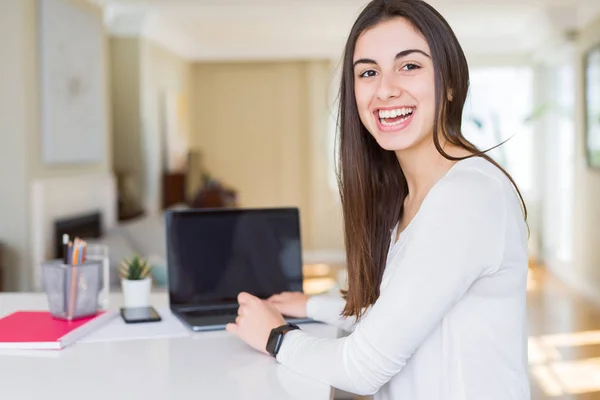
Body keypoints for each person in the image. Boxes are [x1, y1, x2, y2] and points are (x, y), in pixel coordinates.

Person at [225, 0, 531, 398]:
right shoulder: (411, 198)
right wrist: (313, 305)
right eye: (368, 72)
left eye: (409, 66)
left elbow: (362, 368)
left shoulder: (468, 196)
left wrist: (276, 337)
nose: (386, 89)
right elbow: (399, 314)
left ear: (451, 82)